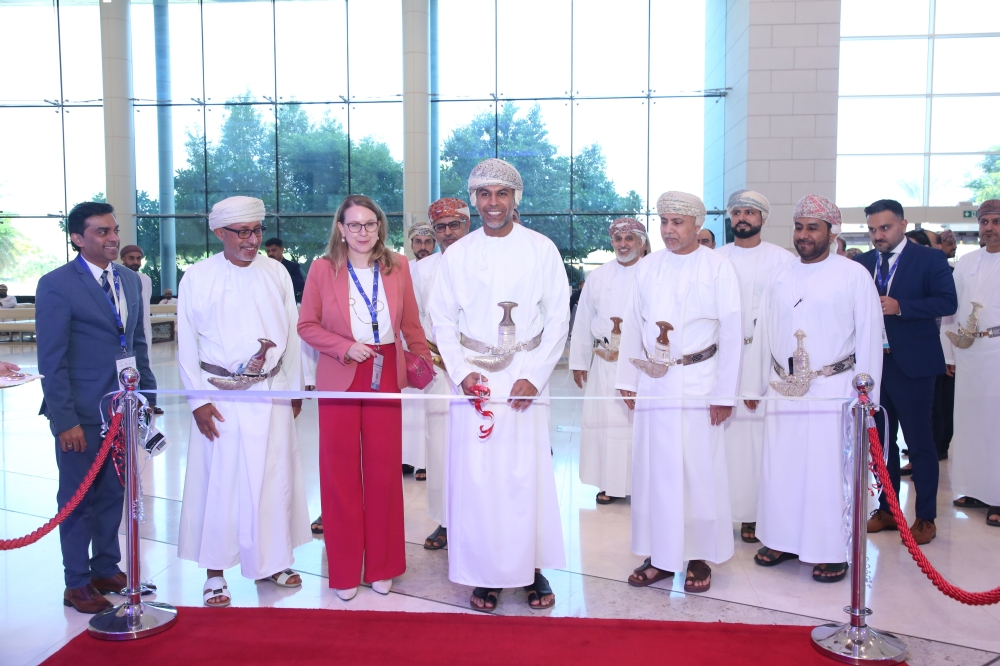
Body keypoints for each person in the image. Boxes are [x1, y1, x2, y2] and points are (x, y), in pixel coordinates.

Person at [428, 158, 569, 612]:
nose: (493, 203)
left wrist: (536, 374)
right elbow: (442, 319)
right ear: (474, 199)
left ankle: (530, 569)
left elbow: (559, 318)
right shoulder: (459, 253)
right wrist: (459, 371)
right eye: (485, 194)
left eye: (502, 194)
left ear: (516, 198)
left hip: (526, 374)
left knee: (524, 475)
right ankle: (485, 572)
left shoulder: (541, 249)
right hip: (474, 374)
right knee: (478, 477)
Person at [176, 196, 310, 607]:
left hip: (270, 393)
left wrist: (294, 389)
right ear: (220, 233)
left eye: (256, 231)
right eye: (243, 232)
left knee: (273, 478)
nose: (252, 240)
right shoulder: (196, 277)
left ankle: (272, 561)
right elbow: (186, 343)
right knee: (220, 482)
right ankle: (215, 572)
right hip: (219, 396)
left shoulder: (277, 273)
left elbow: (292, 330)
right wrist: (197, 401)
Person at [743, 194, 882, 582]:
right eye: (799, 227)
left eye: (812, 228)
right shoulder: (781, 274)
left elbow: (870, 338)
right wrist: (756, 384)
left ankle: (831, 549)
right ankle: (782, 539)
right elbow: (764, 330)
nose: (803, 235)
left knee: (826, 470)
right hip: (783, 388)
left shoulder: (853, 275)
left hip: (832, 388)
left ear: (831, 232)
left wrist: (867, 400)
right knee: (781, 466)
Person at [298, 195, 429, 601]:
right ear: (340, 228)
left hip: (385, 366)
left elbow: (410, 323)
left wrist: (420, 360)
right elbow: (306, 325)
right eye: (353, 225)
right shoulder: (322, 269)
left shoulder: (398, 266)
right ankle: (343, 568)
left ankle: (383, 565)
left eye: (369, 224)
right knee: (338, 472)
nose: (362, 232)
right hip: (342, 368)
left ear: (379, 227)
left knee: (383, 468)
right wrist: (342, 346)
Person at [616, 191, 741, 594]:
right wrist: (627, 379)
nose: (669, 230)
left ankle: (699, 555)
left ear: (697, 226)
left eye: (678, 222)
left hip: (700, 381)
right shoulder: (648, 267)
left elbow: (734, 334)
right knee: (655, 470)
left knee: (697, 471)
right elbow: (634, 327)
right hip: (655, 381)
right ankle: (659, 555)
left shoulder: (718, 268)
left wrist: (724, 393)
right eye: (664, 221)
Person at [36, 201, 157, 613]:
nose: (112, 238)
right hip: (82, 415)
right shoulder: (57, 284)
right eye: (102, 232)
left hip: (122, 409)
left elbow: (137, 344)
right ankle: (77, 583)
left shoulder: (129, 279)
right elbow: (51, 359)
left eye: (114, 230)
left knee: (112, 494)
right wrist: (64, 419)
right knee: (77, 499)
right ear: (77, 237)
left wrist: (148, 398)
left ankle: (106, 567)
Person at [856, 200, 957, 545]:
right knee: (881, 444)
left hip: (914, 365)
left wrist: (902, 307)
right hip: (874, 366)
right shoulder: (862, 263)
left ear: (903, 224)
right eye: (872, 230)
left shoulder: (929, 259)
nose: (878, 235)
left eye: (884, 228)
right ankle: (887, 509)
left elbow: (947, 303)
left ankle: (925, 517)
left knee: (919, 443)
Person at [716, 190, 794, 543]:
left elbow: (786, 319)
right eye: (736, 212)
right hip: (719, 362)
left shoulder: (783, 260)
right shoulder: (714, 258)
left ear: (763, 218)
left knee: (758, 444)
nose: (742, 218)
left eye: (750, 212)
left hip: (764, 364)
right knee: (722, 441)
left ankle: (754, 516)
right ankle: (721, 512)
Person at [569, 218, 645, 505]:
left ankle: (639, 483)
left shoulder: (651, 272)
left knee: (634, 426)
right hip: (603, 362)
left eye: (629, 238)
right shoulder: (598, 277)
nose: (623, 244)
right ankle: (608, 484)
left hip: (639, 365)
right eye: (618, 239)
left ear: (641, 242)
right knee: (606, 424)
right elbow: (584, 320)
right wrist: (579, 361)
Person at [417, 197, 473, 551]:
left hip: (480, 371)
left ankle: (476, 518)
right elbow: (413, 321)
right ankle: (445, 521)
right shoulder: (420, 270)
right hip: (438, 372)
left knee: (476, 445)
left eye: (454, 224)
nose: (448, 232)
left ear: (468, 224)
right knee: (439, 448)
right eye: (440, 227)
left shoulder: (483, 260)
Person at [942, 199, 1000, 528]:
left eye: (996, 221)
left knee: (997, 426)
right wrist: (950, 354)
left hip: (998, 350)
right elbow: (952, 308)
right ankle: (976, 489)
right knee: (970, 425)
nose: (989, 227)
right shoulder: (966, 262)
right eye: (985, 221)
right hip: (968, 352)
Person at [401, 221, 436, 479]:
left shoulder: (439, 268)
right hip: (404, 342)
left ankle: (426, 461)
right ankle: (407, 459)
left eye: (427, 242)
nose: (422, 247)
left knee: (428, 404)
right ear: (411, 244)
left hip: (431, 343)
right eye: (417, 242)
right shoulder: (401, 268)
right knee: (407, 403)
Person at [119, 245, 163, 415]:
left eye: (138, 258)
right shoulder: (119, 277)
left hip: (143, 327)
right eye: (131, 258)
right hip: (128, 329)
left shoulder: (145, 279)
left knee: (146, 364)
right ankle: (130, 402)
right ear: (123, 258)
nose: (135, 262)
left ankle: (148, 402)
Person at [263, 237, 306, 302]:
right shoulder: (263, 267)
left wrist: (283, 273)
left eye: (273, 250)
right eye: (268, 251)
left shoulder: (292, 266)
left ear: (282, 250)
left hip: (287, 303)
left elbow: (300, 286)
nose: (270, 254)